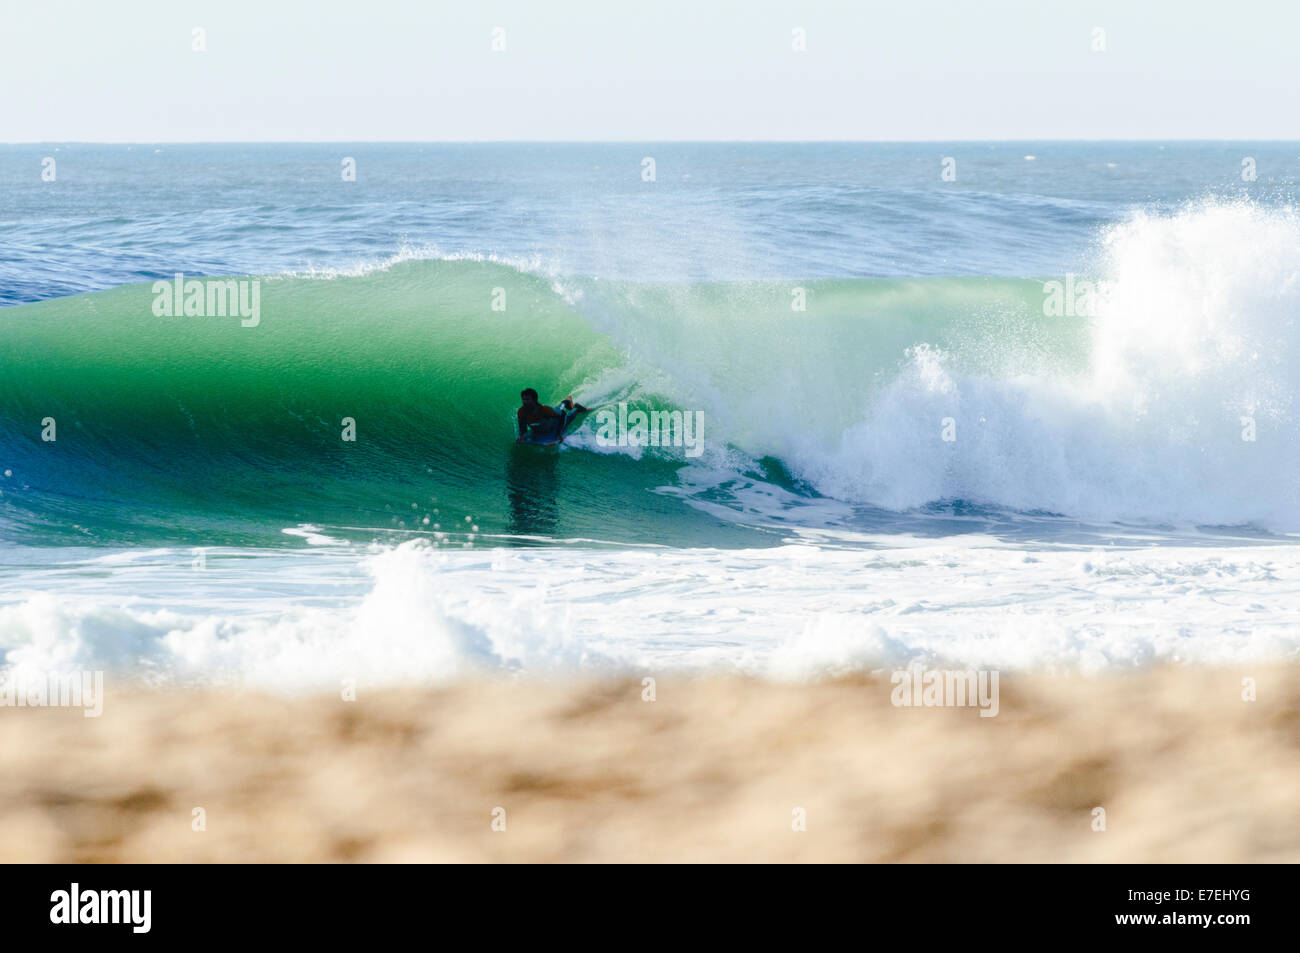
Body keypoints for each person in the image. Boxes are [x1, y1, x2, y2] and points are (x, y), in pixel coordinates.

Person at [517, 389, 587, 442]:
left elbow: (562, 414)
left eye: (528, 399)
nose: (525, 402)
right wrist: (522, 436)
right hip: (551, 415)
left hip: (556, 419)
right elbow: (522, 426)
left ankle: (576, 408)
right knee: (558, 408)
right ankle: (567, 401)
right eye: (523, 399)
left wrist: (559, 433)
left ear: (535, 400)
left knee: (564, 413)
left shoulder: (544, 410)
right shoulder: (521, 412)